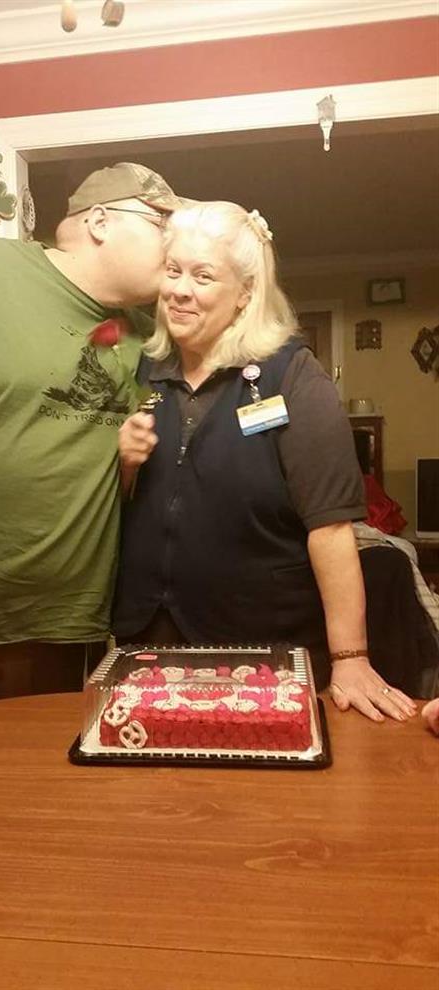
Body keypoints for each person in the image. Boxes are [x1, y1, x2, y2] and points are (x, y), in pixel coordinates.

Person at [0, 162, 181, 730]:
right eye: (161, 226)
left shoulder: (153, 340)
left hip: (55, 636)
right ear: (100, 221)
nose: (177, 247)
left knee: (27, 786)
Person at [113, 200, 420, 724]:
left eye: (203, 276)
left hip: (261, 643)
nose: (179, 290)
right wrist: (124, 466)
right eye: (173, 270)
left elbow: (330, 526)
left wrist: (350, 658)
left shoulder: (292, 375)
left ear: (245, 294)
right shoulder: (143, 370)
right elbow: (123, 506)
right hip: (150, 635)